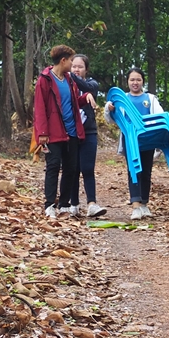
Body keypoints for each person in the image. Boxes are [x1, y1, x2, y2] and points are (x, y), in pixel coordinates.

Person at [32, 45, 85, 218]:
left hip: (71, 132)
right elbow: (39, 108)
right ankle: (49, 205)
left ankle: (64, 204)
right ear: (63, 60)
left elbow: (74, 102)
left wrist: (85, 98)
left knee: (71, 168)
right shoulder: (45, 80)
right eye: (71, 60)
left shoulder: (69, 80)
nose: (72, 64)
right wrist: (42, 133)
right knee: (53, 166)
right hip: (52, 133)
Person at [104, 68, 163, 221]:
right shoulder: (121, 98)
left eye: (138, 79)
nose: (135, 82)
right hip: (130, 140)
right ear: (127, 81)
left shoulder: (150, 98)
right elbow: (111, 119)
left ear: (143, 81)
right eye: (132, 80)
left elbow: (158, 115)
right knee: (134, 171)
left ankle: (144, 203)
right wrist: (109, 109)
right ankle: (136, 205)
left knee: (146, 171)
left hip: (148, 138)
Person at [69, 54, 105, 218]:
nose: (76, 69)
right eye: (73, 66)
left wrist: (71, 76)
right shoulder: (65, 85)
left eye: (80, 67)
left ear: (86, 69)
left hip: (89, 131)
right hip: (71, 132)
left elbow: (85, 86)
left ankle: (92, 203)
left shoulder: (92, 84)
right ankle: (73, 203)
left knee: (87, 168)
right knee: (73, 169)